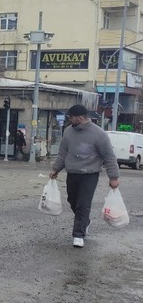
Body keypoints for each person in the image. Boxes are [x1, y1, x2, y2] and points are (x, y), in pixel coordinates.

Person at [49, 104, 119, 248]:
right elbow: (63, 153)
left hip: (90, 175)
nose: (69, 119)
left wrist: (114, 177)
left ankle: (78, 235)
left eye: (71, 117)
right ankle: (85, 221)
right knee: (72, 200)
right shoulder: (68, 132)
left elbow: (109, 157)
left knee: (83, 204)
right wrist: (56, 169)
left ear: (79, 117)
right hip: (72, 173)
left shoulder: (99, 134)